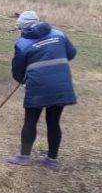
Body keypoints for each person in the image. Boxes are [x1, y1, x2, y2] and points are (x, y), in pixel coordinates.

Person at [6, 10, 77, 169]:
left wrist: (23, 80)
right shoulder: (59, 34)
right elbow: (71, 54)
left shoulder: (22, 44)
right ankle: (51, 160)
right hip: (61, 86)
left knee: (30, 120)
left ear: (23, 28)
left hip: (38, 88)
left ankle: (23, 157)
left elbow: (17, 71)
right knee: (53, 122)